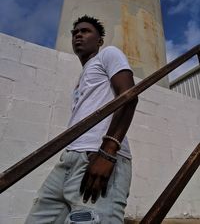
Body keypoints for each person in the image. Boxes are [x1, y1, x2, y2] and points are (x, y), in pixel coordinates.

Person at [25, 15, 138, 224]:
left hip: (98, 155)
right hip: (68, 159)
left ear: (99, 40)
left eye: (85, 31)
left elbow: (129, 96)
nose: (78, 35)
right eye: (75, 32)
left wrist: (108, 152)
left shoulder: (108, 55)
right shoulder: (81, 79)